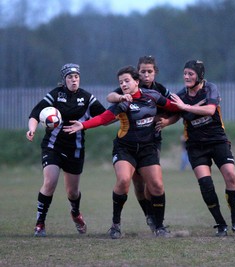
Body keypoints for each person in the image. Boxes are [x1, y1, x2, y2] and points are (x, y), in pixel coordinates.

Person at [64, 65, 179, 238]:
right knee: (124, 180)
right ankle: (115, 225)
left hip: (148, 148)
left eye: (127, 81)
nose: (124, 85)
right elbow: (104, 118)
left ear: (137, 82)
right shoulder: (123, 102)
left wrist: (176, 112)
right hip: (125, 148)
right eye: (121, 82)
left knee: (157, 185)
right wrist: (83, 124)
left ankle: (160, 226)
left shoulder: (153, 96)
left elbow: (173, 107)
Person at [160, 60, 235, 236]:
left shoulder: (210, 89)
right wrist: (166, 122)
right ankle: (220, 224)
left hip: (217, 141)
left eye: (190, 74)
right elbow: (176, 113)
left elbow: (210, 110)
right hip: (195, 146)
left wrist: (185, 107)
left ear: (200, 75)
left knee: (230, 176)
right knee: (206, 185)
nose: (186, 77)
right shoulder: (180, 95)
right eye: (185, 73)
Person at [26, 63, 106, 237]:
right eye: (70, 77)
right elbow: (35, 113)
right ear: (64, 79)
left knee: (72, 191)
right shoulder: (56, 95)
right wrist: (32, 128)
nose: (74, 80)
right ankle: (40, 223)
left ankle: (75, 212)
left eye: (76, 76)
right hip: (52, 146)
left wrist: (119, 104)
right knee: (50, 182)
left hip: (75, 149)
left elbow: (104, 117)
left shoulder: (86, 98)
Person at [106, 55, 171, 232]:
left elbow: (175, 109)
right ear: (137, 73)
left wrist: (167, 121)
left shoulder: (159, 90)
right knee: (136, 184)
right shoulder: (129, 85)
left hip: (152, 142)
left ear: (155, 72)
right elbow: (111, 96)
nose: (145, 75)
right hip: (130, 142)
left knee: (154, 185)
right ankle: (148, 216)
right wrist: (119, 99)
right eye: (142, 71)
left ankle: (157, 221)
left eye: (149, 71)